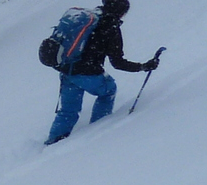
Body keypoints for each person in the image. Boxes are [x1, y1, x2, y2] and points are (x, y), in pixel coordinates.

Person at [40, 0, 160, 145]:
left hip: (67, 71)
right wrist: (143, 67)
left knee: (68, 111)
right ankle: (99, 128)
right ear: (121, 12)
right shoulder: (110, 27)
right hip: (88, 73)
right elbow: (117, 63)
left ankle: (53, 141)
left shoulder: (87, 19)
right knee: (108, 91)